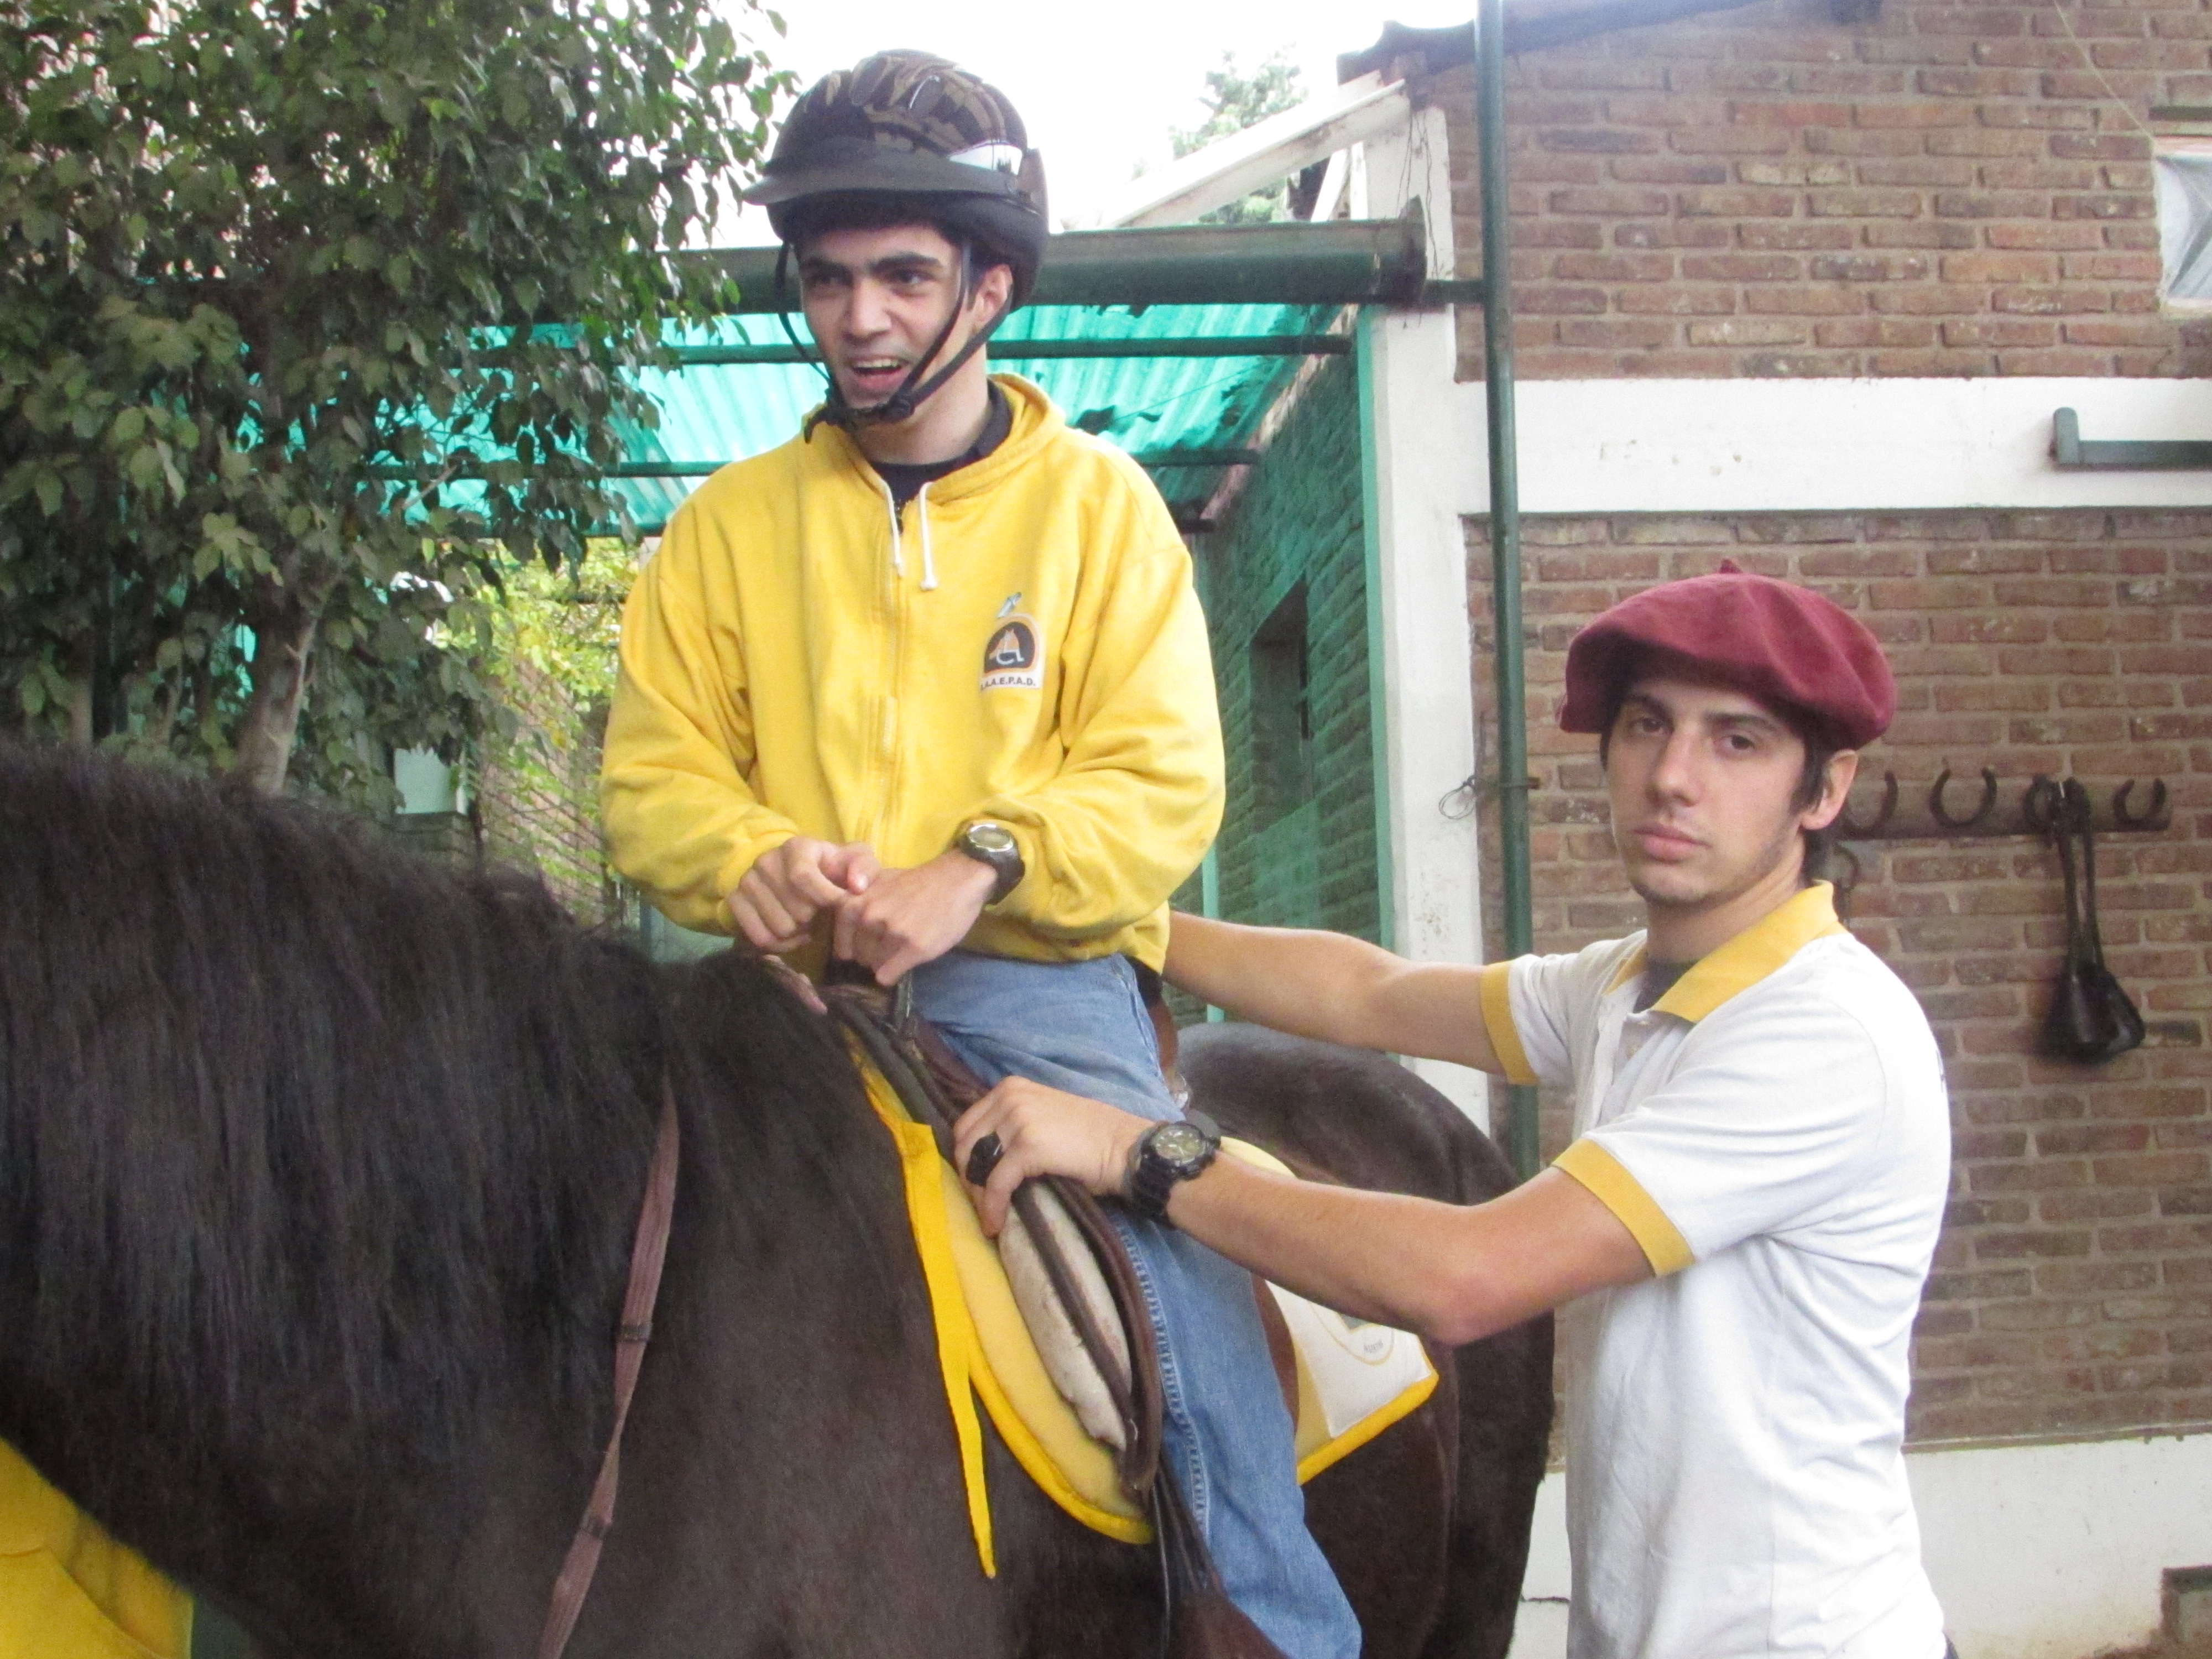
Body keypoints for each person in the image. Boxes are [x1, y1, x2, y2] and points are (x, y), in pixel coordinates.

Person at [598, 50, 1361, 1659]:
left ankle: (1269, 1619)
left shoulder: (1102, 513)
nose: (858, 318)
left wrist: (985, 863)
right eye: (828, 280)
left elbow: (1164, 779)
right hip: (779, 1001)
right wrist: (746, 855)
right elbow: (653, 775)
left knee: (1172, 1267)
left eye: (902, 276)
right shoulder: (722, 531)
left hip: (1038, 999)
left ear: (990, 284)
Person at [954, 565, 1954, 1659]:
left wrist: (1138, 1151)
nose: (1672, 777)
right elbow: (1369, 993)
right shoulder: (1628, 985)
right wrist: (1093, 915)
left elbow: (1463, 1278)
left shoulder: (1819, 1035)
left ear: (1824, 789)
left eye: (1737, 742)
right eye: (1646, 726)